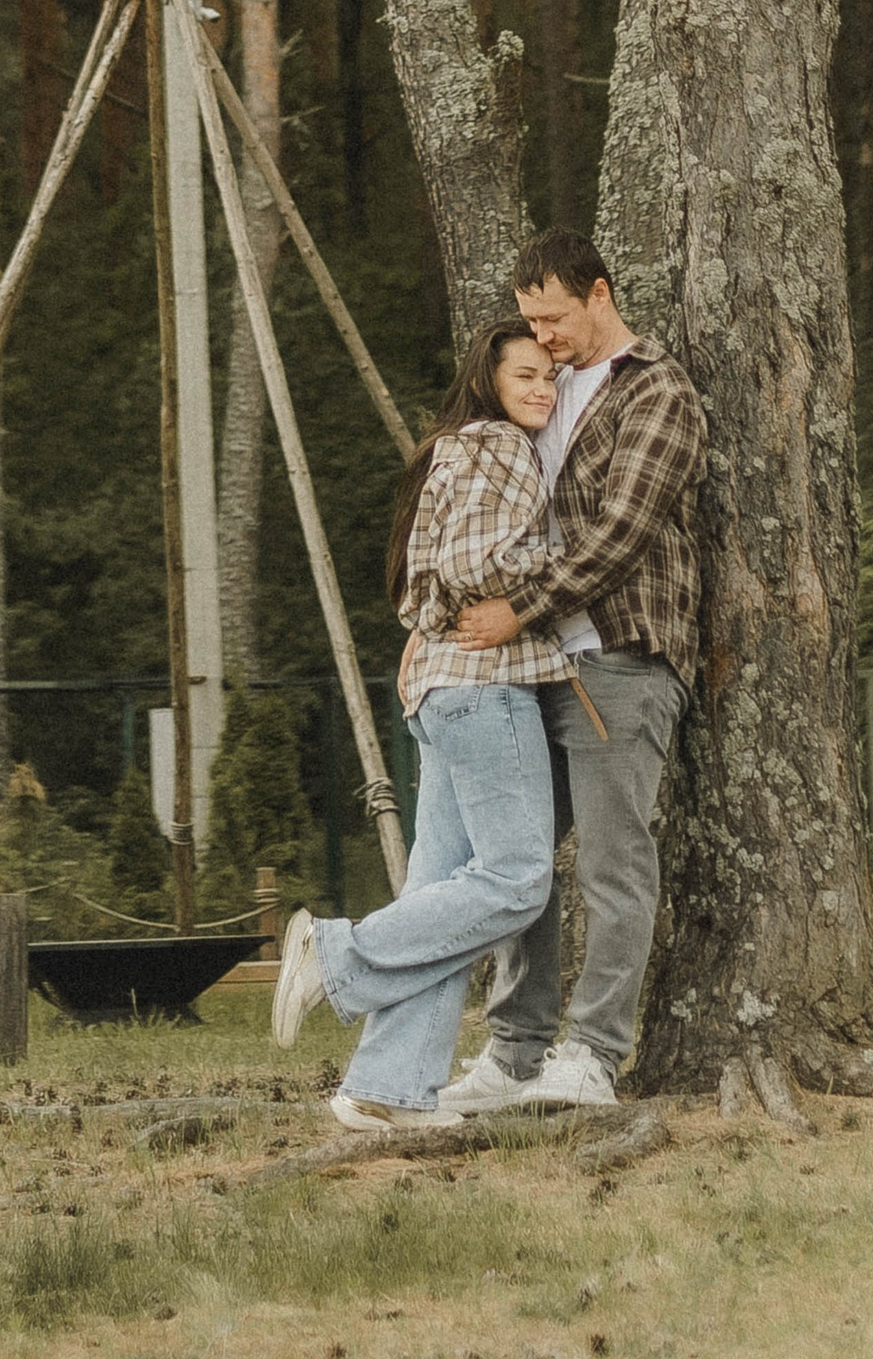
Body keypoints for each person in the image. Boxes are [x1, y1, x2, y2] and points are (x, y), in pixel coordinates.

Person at [268, 319, 569, 1127]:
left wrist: (432, 627)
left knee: (442, 895)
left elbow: (418, 586)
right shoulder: (501, 447)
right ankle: (335, 954)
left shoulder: (452, 448)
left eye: (550, 376)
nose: (542, 387)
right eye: (526, 375)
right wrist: (561, 571)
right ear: (490, 382)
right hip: (487, 688)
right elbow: (477, 564)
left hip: (442, 691)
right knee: (517, 879)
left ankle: (386, 1086)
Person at [438, 226, 705, 1112]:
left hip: (619, 660)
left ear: (599, 292)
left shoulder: (656, 391)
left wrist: (517, 607)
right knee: (520, 861)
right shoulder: (539, 393)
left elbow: (620, 533)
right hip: (532, 668)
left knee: (611, 860)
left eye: (551, 318)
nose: (541, 339)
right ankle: (515, 1048)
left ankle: (593, 1053)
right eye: (529, 323)